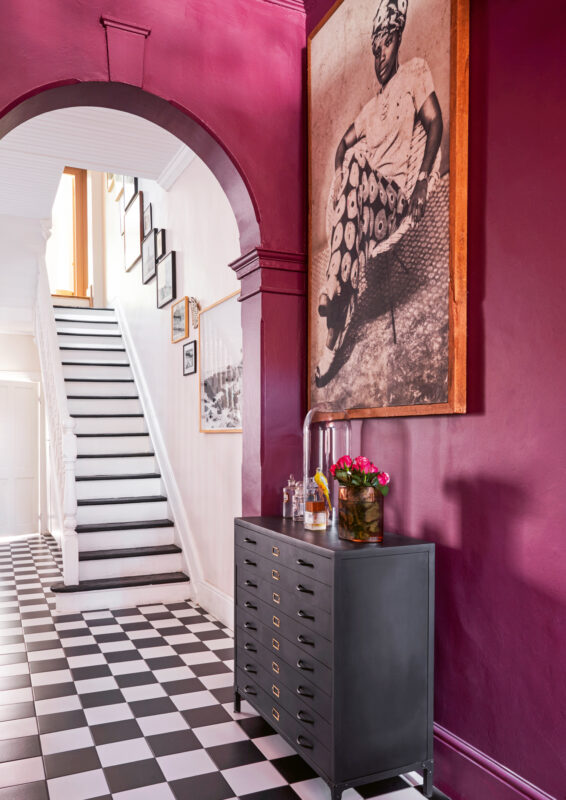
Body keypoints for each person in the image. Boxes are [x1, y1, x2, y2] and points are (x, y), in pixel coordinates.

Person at [317, 0, 443, 363]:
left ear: (398, 40)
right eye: (375, 50)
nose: (380, 57)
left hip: (394, 201)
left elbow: (434, 123)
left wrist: (421, 181)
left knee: (356, 168)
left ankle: (333, 290)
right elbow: (343, 143)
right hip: (364, 206)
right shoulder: (371, 108)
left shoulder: (415, 73)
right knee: (351, 218)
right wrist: (342, 180)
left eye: (385, 44)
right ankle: (332, 336)